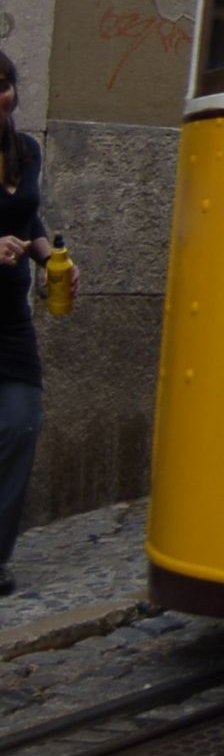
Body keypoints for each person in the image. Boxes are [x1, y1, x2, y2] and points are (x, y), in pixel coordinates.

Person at [0, 49, 79, 598]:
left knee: (21, 425)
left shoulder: (24, 152)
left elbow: (30, 221)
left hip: (9, 320)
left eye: (4, 84)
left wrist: (52, 259)